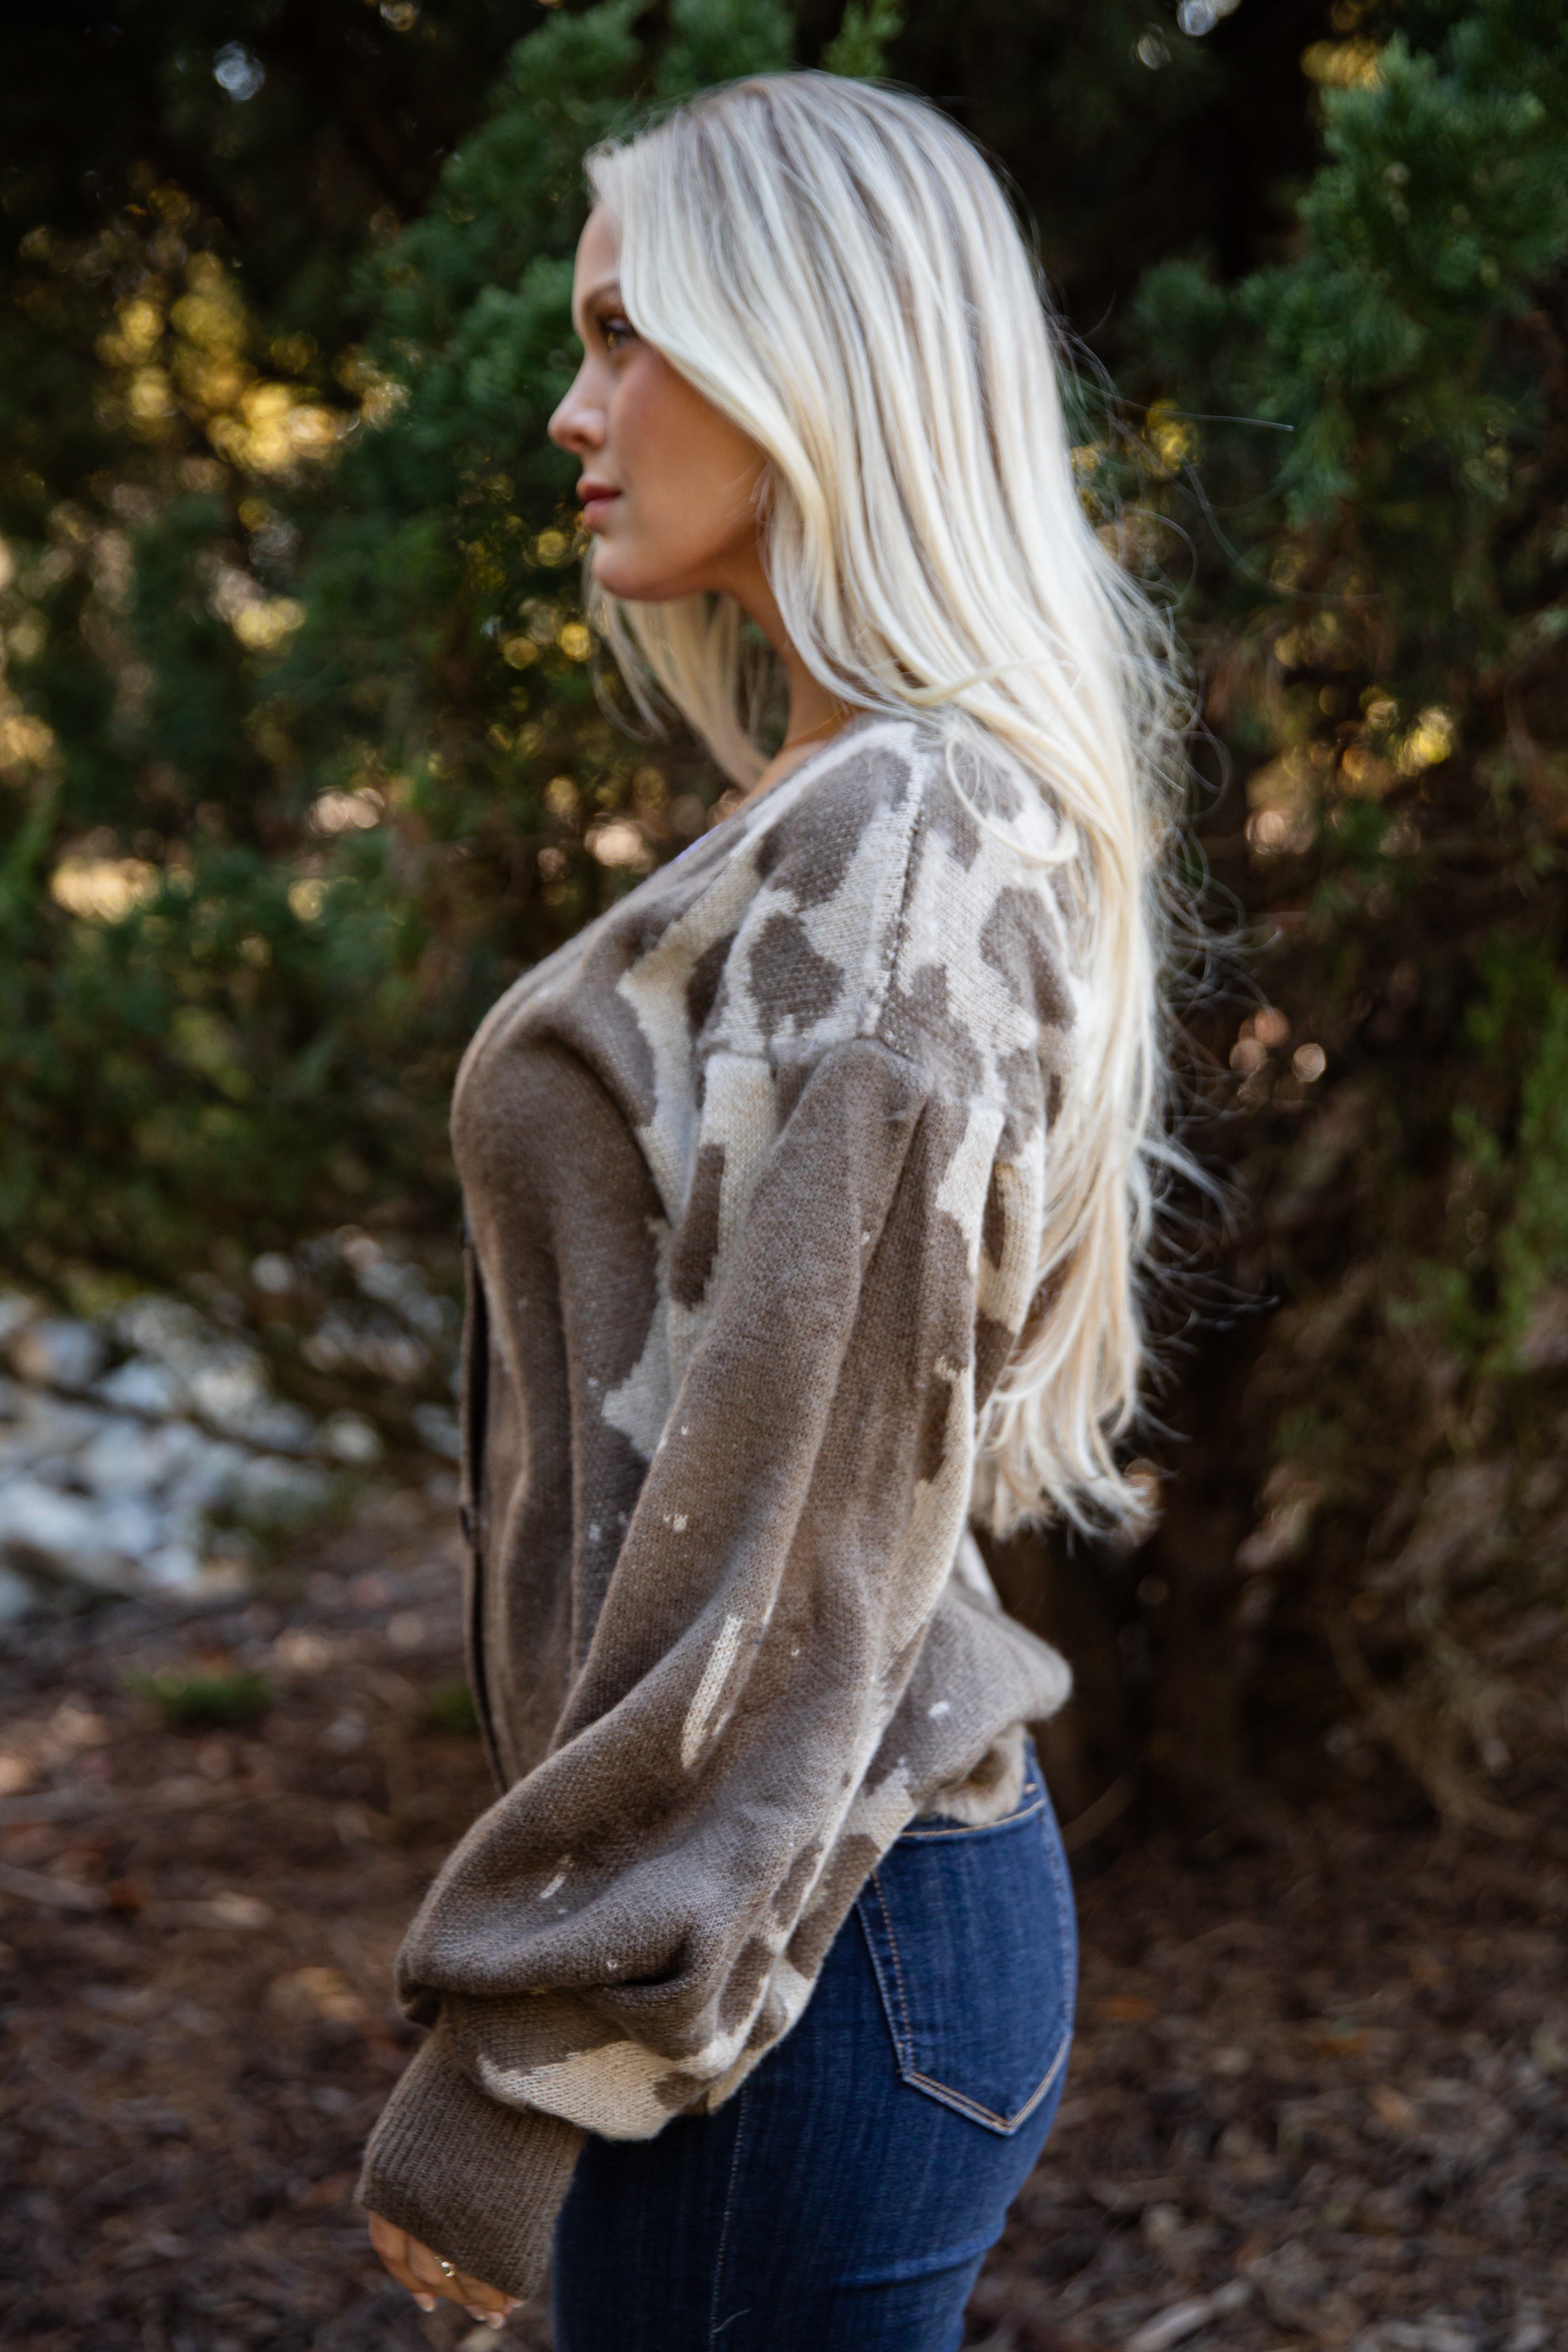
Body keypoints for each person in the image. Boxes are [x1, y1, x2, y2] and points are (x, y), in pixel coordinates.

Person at [359, 69, 1181, 2352]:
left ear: (805, 349)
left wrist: (524, 2055)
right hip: (801, 1924)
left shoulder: (903, 839)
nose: (569, 408)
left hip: (805, 1946)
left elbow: (796, 1532)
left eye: (624, 334)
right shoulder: (857, 807)